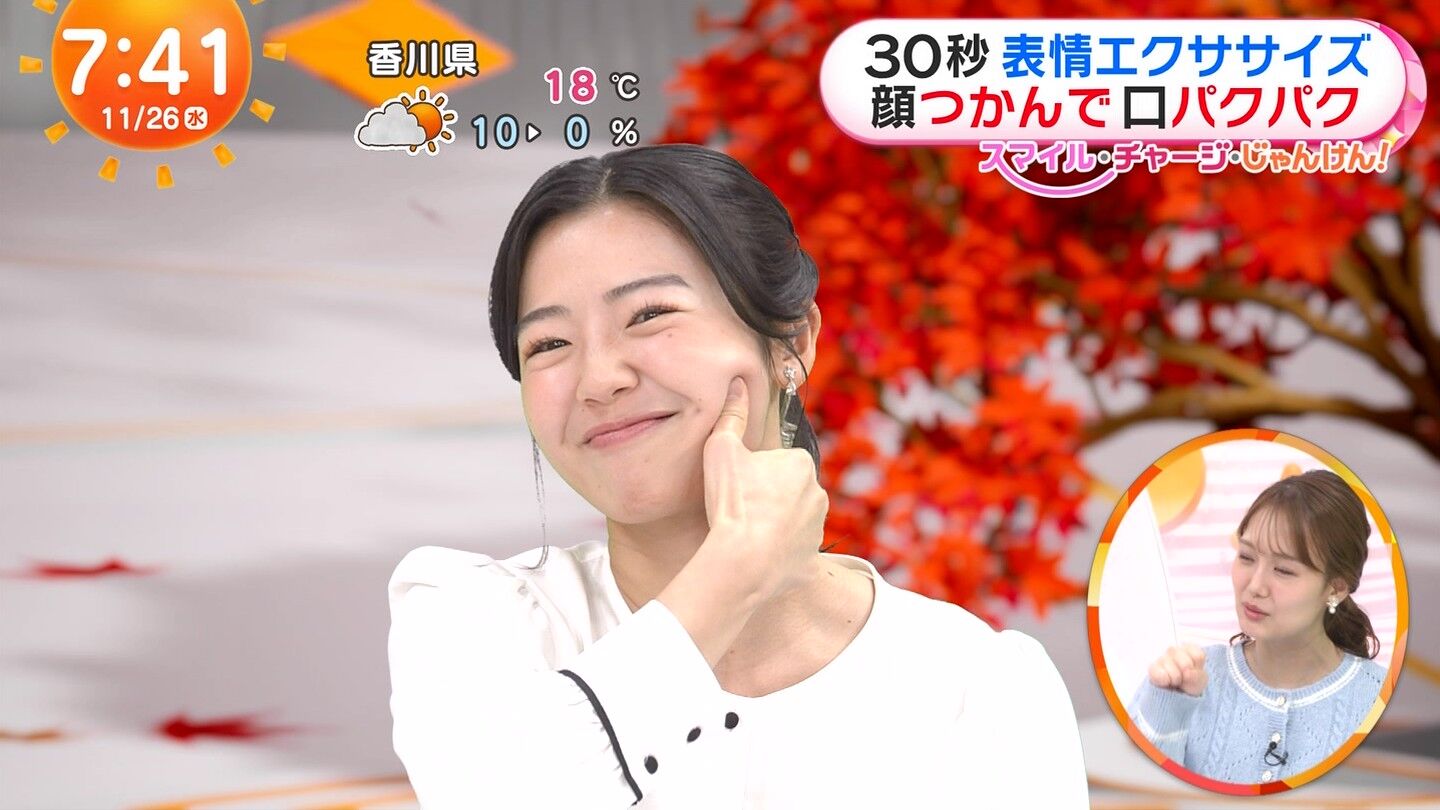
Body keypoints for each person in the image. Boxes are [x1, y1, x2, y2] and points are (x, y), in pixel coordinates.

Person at [387, 144, 1089, 808]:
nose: (598, 379)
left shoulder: (978, 687)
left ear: (791, 340)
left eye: (650, 314)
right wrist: (735, 572)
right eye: (548, 344)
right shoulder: (474, 623)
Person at [1130, 469, 1387, 785]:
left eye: (1283, 570)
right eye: (1246, 557)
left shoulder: (1380, 700)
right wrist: (1168, 709)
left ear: (1336, 588)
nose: (1254, 586)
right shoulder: (1184, 678)